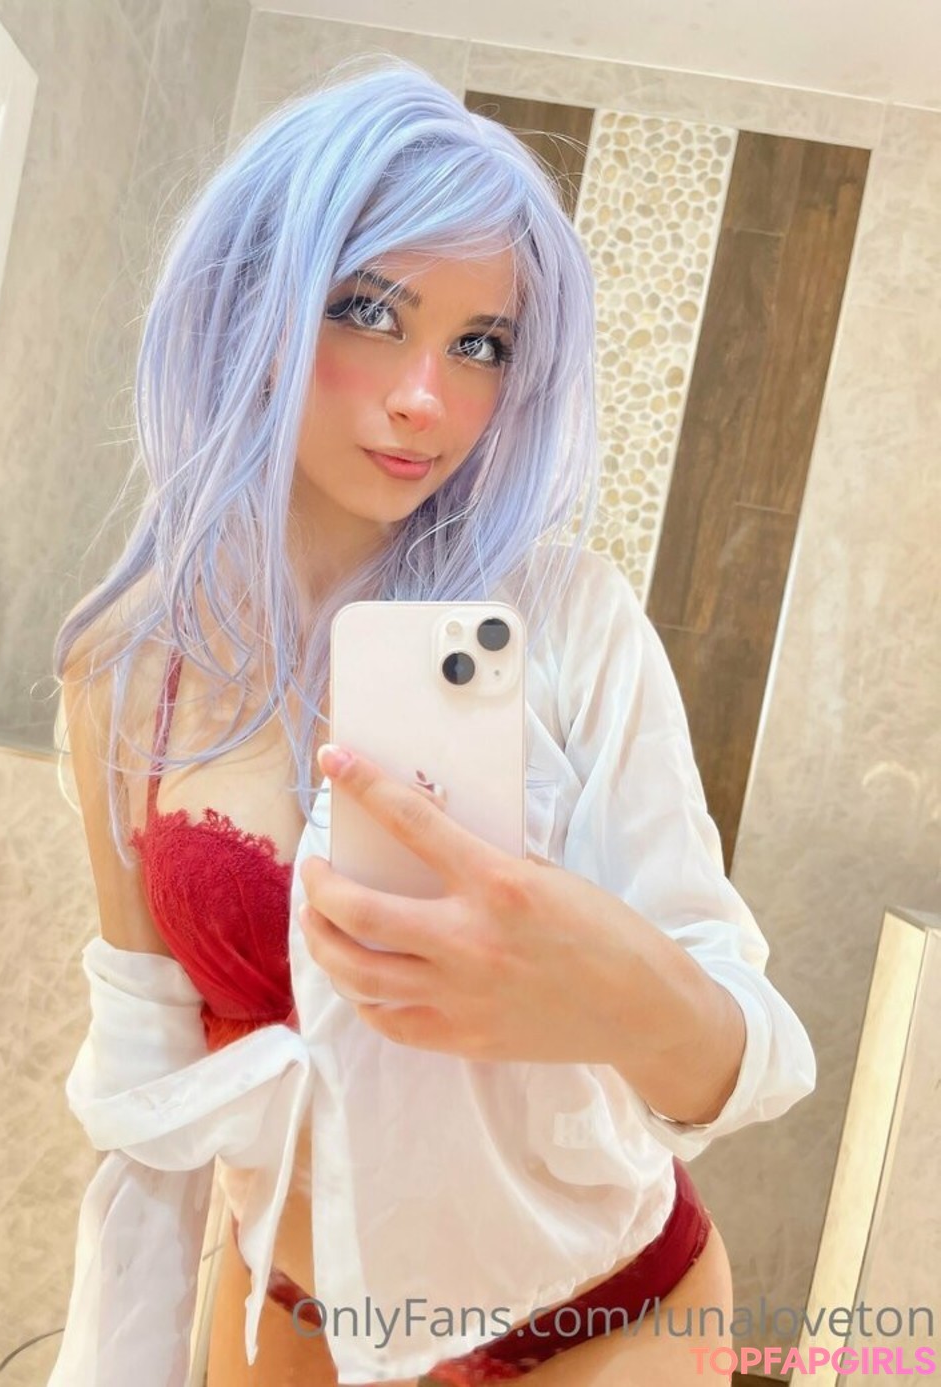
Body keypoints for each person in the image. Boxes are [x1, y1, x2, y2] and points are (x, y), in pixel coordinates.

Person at [48, 56, 816, 1387]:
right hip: (290, 1306)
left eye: (481, 344)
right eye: (369, 312)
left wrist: (612, 985)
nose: (427, 398)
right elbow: (143, 1083)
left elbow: (754, 1050)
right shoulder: (128, 671)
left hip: (597, 1312)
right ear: (252, 302)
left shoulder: (562, 621)